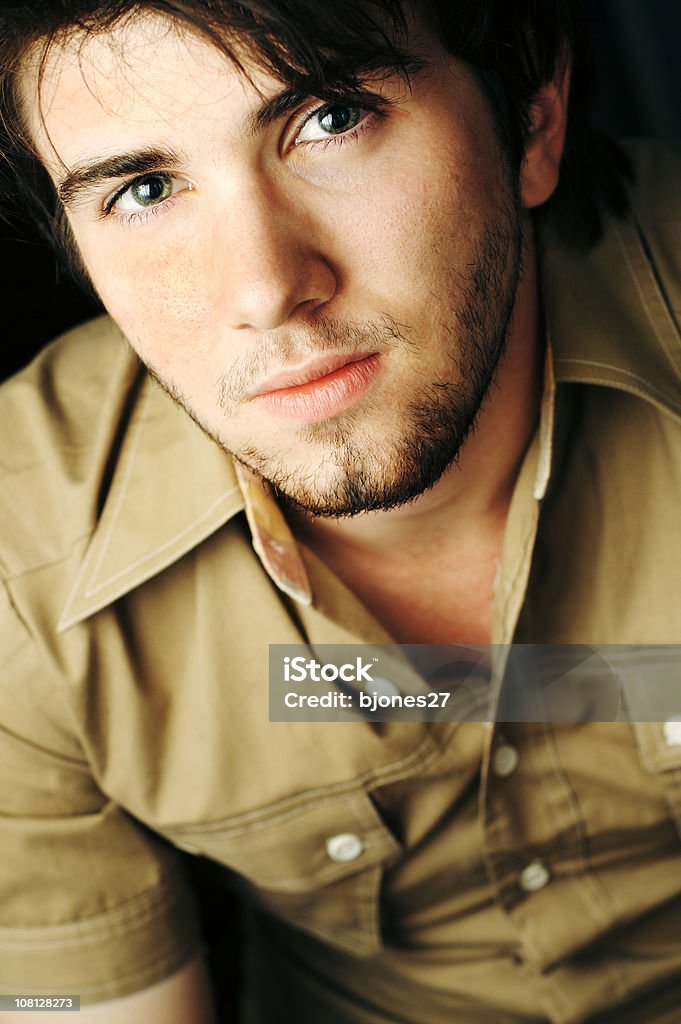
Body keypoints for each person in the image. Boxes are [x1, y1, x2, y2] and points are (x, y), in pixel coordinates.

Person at [0, 1, 680, 1021]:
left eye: (330, 120)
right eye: (145, 189)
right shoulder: (23, 567)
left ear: (534, 115)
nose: (267, 287)